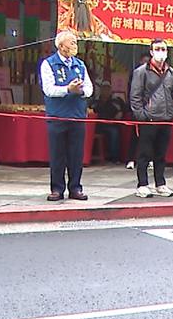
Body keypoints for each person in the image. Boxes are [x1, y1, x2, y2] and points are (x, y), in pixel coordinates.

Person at [40, 29, 92, 201]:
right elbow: (49, 89)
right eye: (72, 43)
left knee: (76, 155)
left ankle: (75, 188)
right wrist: (68, 89)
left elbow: (90, 89)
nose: (75, 46)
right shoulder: (48, 64)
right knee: (58, 154)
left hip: (77, 116)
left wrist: (80, 90)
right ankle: (57, 188)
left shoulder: (80, 65)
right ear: (61, 46)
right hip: (57, 117)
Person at [128, 38, 173, 198]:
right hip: (149, 119)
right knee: (144, 153)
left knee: (161, 154)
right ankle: (142, 184)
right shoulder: (141, 72)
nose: (161, 52)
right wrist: (142, 116)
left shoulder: (171, 72)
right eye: (158, 49)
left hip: (166, 119)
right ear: (151, 52)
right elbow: (135, 96)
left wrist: (171, 113)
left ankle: (160, 184)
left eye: (163, 49)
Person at [89, 82, 127, 165]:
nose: (105, 90)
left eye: (107, 88)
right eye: (104, 88)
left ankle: (115, 158)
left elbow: (126, 109)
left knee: (114, 133)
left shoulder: (116, 100)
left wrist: (121, 112)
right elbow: (89, 110)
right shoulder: (95, 101)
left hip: (111, 124)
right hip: (97, 125)